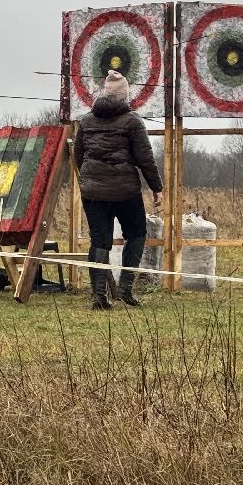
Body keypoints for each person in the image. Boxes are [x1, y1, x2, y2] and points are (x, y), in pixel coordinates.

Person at [74, 69, 163, 310]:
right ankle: (125, 289)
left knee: (100, 241)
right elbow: (145, 158)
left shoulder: (86, 120)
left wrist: (92, 178)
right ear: (124, 96)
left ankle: (99, 297)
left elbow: (78, 155)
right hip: (125, 190)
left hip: (93, 192)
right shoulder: (132, 120)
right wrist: (157, 188)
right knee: (136, 233)